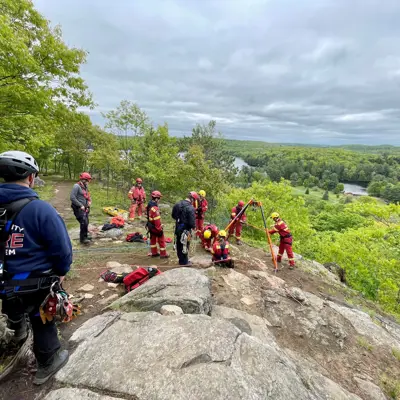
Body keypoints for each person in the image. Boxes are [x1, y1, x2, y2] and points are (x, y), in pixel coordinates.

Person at [0, 150, 72, 385]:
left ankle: (17, 331)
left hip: (3, 284)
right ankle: (48, 361)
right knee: (40, 318)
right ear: (30, 178)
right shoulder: (41, 210)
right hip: (33, 284)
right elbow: (61, 250)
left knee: (12, 302)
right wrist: (61, 271)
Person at [171, 192, 197, 266]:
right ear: (192, 199)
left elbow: (173, 215)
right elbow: (192, 222)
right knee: (185, 245)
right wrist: (194, 227)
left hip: (178, 228)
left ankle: (180, 260)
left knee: (179, 244)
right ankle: (184, 262)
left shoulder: (177, 204)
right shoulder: (191, 208)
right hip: (186, 230)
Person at [70, 172, 92, 245]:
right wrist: (80, 205)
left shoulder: (85, 187)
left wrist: (89, 202)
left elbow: (88, 195)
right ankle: (82, 239)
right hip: (78, 207)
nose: (88, 182)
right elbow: (72, 197)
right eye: (87, 180)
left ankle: (85, 236)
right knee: (83, 222)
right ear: (83, 180)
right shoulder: (76, 186)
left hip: (85, 207)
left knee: (86, 222)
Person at [146, 191, 169, 259]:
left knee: (153, 240)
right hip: (155, 226)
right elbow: (157, 220)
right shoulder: (155, 209)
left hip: (150, 225)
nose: (159, 200)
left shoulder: (149, 205)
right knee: (161, 240)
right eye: (159, 199)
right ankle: (163, 254)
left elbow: (148, 214)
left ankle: (154, 253)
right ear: (156, 199)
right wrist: (160, 228)